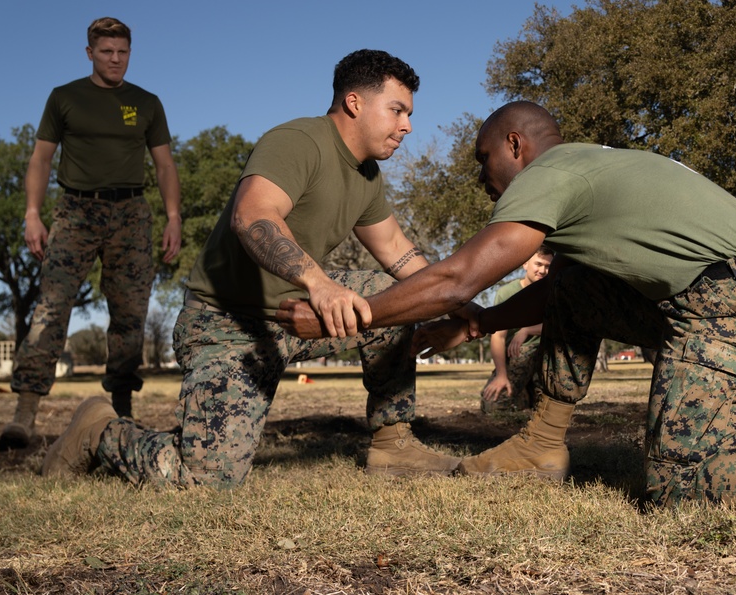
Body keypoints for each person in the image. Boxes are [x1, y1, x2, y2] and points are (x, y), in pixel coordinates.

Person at [273, 101, 736, 511]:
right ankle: (541, 444)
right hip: (731, 291)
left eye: (484, 161)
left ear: (516, 145)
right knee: (579, 284)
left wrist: (353, 310)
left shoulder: (547, 173)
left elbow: (462, 273)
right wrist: (484, 321)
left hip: (735, 303)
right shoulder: (598, 165)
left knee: (681, 482)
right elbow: (566, 289)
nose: (483, 180)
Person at [42, 49, 461, 487]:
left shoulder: (367, 175)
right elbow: (254, 217)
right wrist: (319, 283)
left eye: (408, 114)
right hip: (226, 324)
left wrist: (454, 299)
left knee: (390, 296)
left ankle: (393, 443)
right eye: (397, 110)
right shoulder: (298, 140)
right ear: (355, 102)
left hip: (296, 316)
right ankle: (98, 430)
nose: (407, 125)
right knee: (208, 480)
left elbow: (397, 250)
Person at [0, 17, 181, 450]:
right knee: (52, 307)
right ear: (90, 53)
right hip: (75, 210)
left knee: (130, 313)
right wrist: (32, 214)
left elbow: (165, 165)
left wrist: (173, 216)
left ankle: (121, 413)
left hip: (132, 213)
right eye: (107, 52)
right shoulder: (64, 98)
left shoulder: (147, 102)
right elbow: (41, 159)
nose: (116, 60)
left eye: (123, 52)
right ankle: (24, 414)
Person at [481, 246, 553, 413]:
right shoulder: (506, 293)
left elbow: (559, 325)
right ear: (525, 264)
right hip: (516, 355)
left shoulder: (554, 293)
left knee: (546, 410)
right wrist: (501, 375)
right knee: (492, 406)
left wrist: (526, 330)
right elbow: (498, 337)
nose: (542, 270)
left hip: (546, 355)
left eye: (548, 266)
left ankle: (536, 394)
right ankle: (524, 394)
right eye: (538, 264)